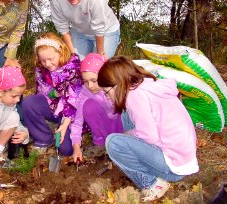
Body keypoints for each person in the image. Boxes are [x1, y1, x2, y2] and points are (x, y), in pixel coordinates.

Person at [98, 56, 199, 202]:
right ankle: (136, 158)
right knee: (125, 114)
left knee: (113, 142)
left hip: (173, 167)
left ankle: (152, 184)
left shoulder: (135, 96)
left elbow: (149, 136)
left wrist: (127, 136)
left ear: (118, 85)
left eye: (107, 92)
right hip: (182, 157)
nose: (106, 97)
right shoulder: (143, 86)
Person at [22, 32, 83, 156]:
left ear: (60, 51)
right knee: (29, 102)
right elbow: (41, 91)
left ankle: (61, 127)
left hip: (72, 113)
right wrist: (53, 93)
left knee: (66, 150)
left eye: (51, 59)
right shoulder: (41, 68)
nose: (47, 64)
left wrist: (65, 124)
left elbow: (74, 100)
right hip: (53, 107)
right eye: (43, 60)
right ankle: (43, 137)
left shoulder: (72, 68)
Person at [50, 0, 120, 60]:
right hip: (80, 32)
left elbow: (99, 28)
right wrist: (73, 56)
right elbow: (63, 28)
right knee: (77, 65)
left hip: (106, 31)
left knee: (97, 66)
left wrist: (100, 54)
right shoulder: (56, 0)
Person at [71, 53, 123, 163]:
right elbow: (77, 122)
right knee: (89, 106)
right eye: (85, 81)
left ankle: (122, 142)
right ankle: (101, 143)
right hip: (104, 127)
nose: (90, 86)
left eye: (94, 81)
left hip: (122, 127)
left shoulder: (117, 85)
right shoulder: (85, 92)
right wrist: (76, 147)